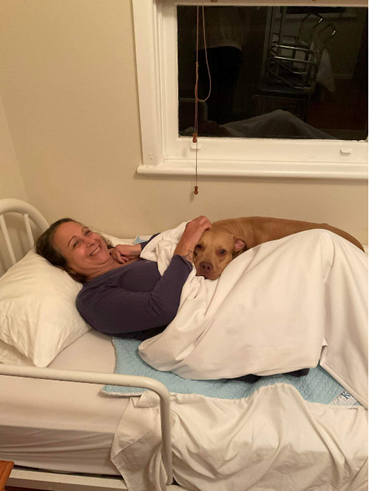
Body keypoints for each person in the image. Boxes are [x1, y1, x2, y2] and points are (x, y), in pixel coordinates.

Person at [36, 216, 211, 341]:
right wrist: (186, 245)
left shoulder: (125, 255)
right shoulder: (92, 298)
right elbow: (161, 309)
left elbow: (166, 240)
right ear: (68, 267)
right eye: (76, 244)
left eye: (87, 233)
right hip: (209, 316)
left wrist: (138, 248)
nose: (90, 241)